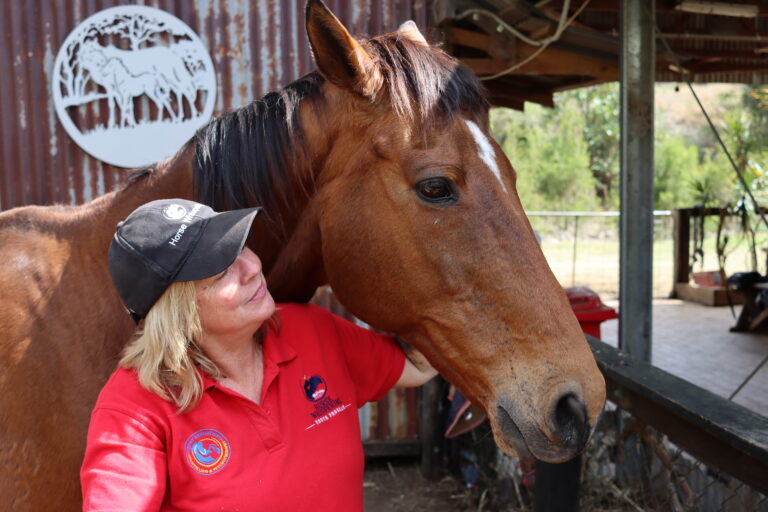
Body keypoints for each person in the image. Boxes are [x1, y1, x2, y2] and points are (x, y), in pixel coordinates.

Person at [80, 198, 437, 511]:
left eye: (241, 247)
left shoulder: (310, 331)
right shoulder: (135, 405)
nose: (252, 267)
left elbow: (417, 365)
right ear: (180, 313)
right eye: (223, 271)